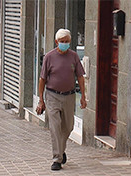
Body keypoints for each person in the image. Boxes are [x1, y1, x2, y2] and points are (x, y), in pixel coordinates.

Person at [36, 29, 87, 171]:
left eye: (67, 42)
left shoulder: (74, 57)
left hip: (69, 96)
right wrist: (41, 100)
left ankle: (61, 149)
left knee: (68, 126)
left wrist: (83, 96)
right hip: (52, 96)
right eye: (62, 41)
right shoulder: (49, 57)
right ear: (56, 42)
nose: (64, 44)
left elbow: (81, 77)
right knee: (55, 127)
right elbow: (42, 79)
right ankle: (57, 159)